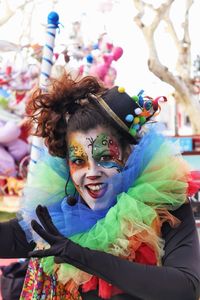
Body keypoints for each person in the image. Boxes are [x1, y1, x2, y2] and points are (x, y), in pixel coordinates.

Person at [0, 72, 199, 300]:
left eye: (105, 156)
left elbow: (185, 288)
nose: (92, 172)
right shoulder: (58, 217)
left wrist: (81, 256)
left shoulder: (164, 206)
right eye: (79, 161)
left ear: (128, 154)